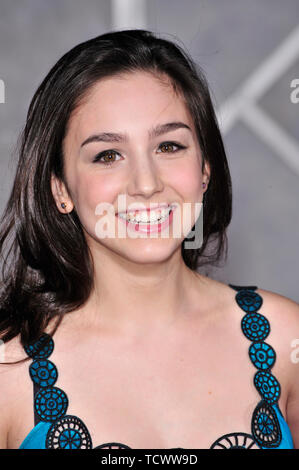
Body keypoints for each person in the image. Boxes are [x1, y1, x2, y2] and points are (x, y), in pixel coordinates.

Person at [0, 29, 298, 450]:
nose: (145, 183)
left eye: (169, 146)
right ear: (60, 189)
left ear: (205, 169)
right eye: (108, 155)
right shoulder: (8, 367)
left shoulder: (285, 339)